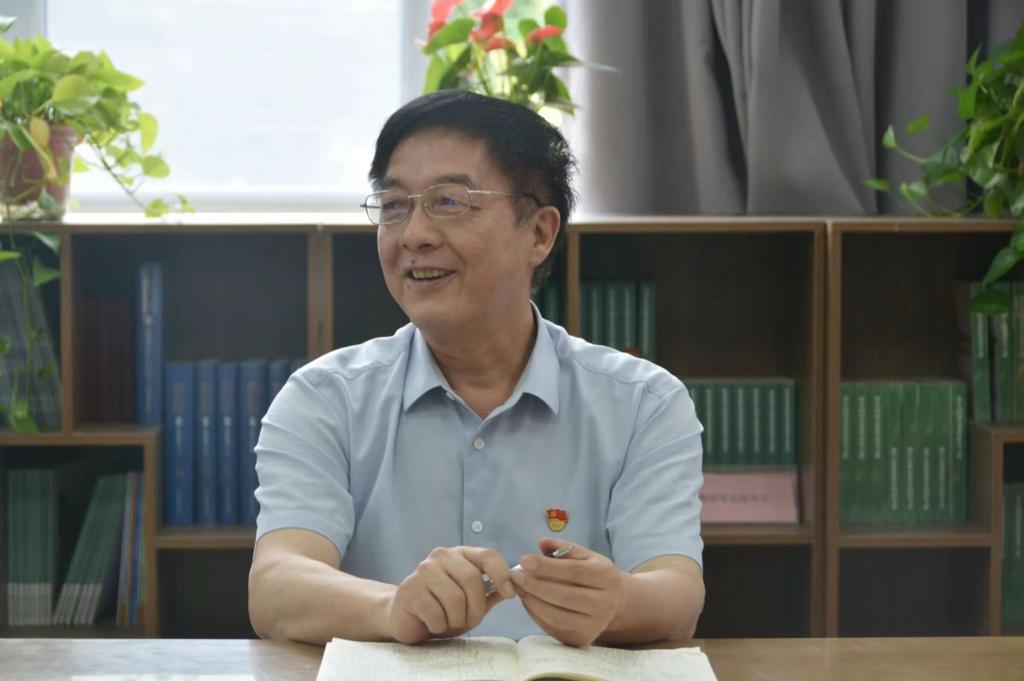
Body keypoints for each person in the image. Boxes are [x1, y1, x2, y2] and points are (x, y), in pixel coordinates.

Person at [247, 90, 705, 647]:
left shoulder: (643, 403)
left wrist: (616, 602)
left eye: (449, 202)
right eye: (394, 205)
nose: (414, 235)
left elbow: (676, 594)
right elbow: (277, 585)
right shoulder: (325, 398)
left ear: (539, 233)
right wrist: (394, 609)